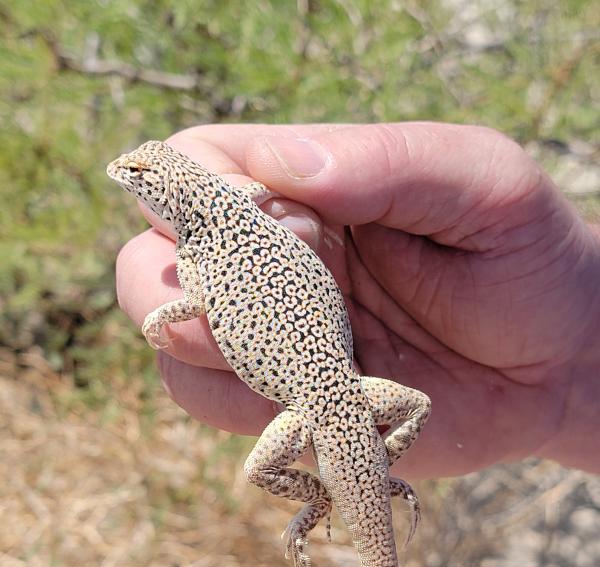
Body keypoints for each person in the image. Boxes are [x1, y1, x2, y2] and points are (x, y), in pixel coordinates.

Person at [115, 123, 600, 477]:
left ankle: (344, 487)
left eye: (139, 171)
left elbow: (194, 300)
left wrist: (163, 313)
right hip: (341, 396)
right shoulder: (241, 201)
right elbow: (246, 218)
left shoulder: (205, 236)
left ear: (170, 193)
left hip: (315, 407)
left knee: (261, 473)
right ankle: (365, 477)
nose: (124, 172)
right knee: (414, 408)